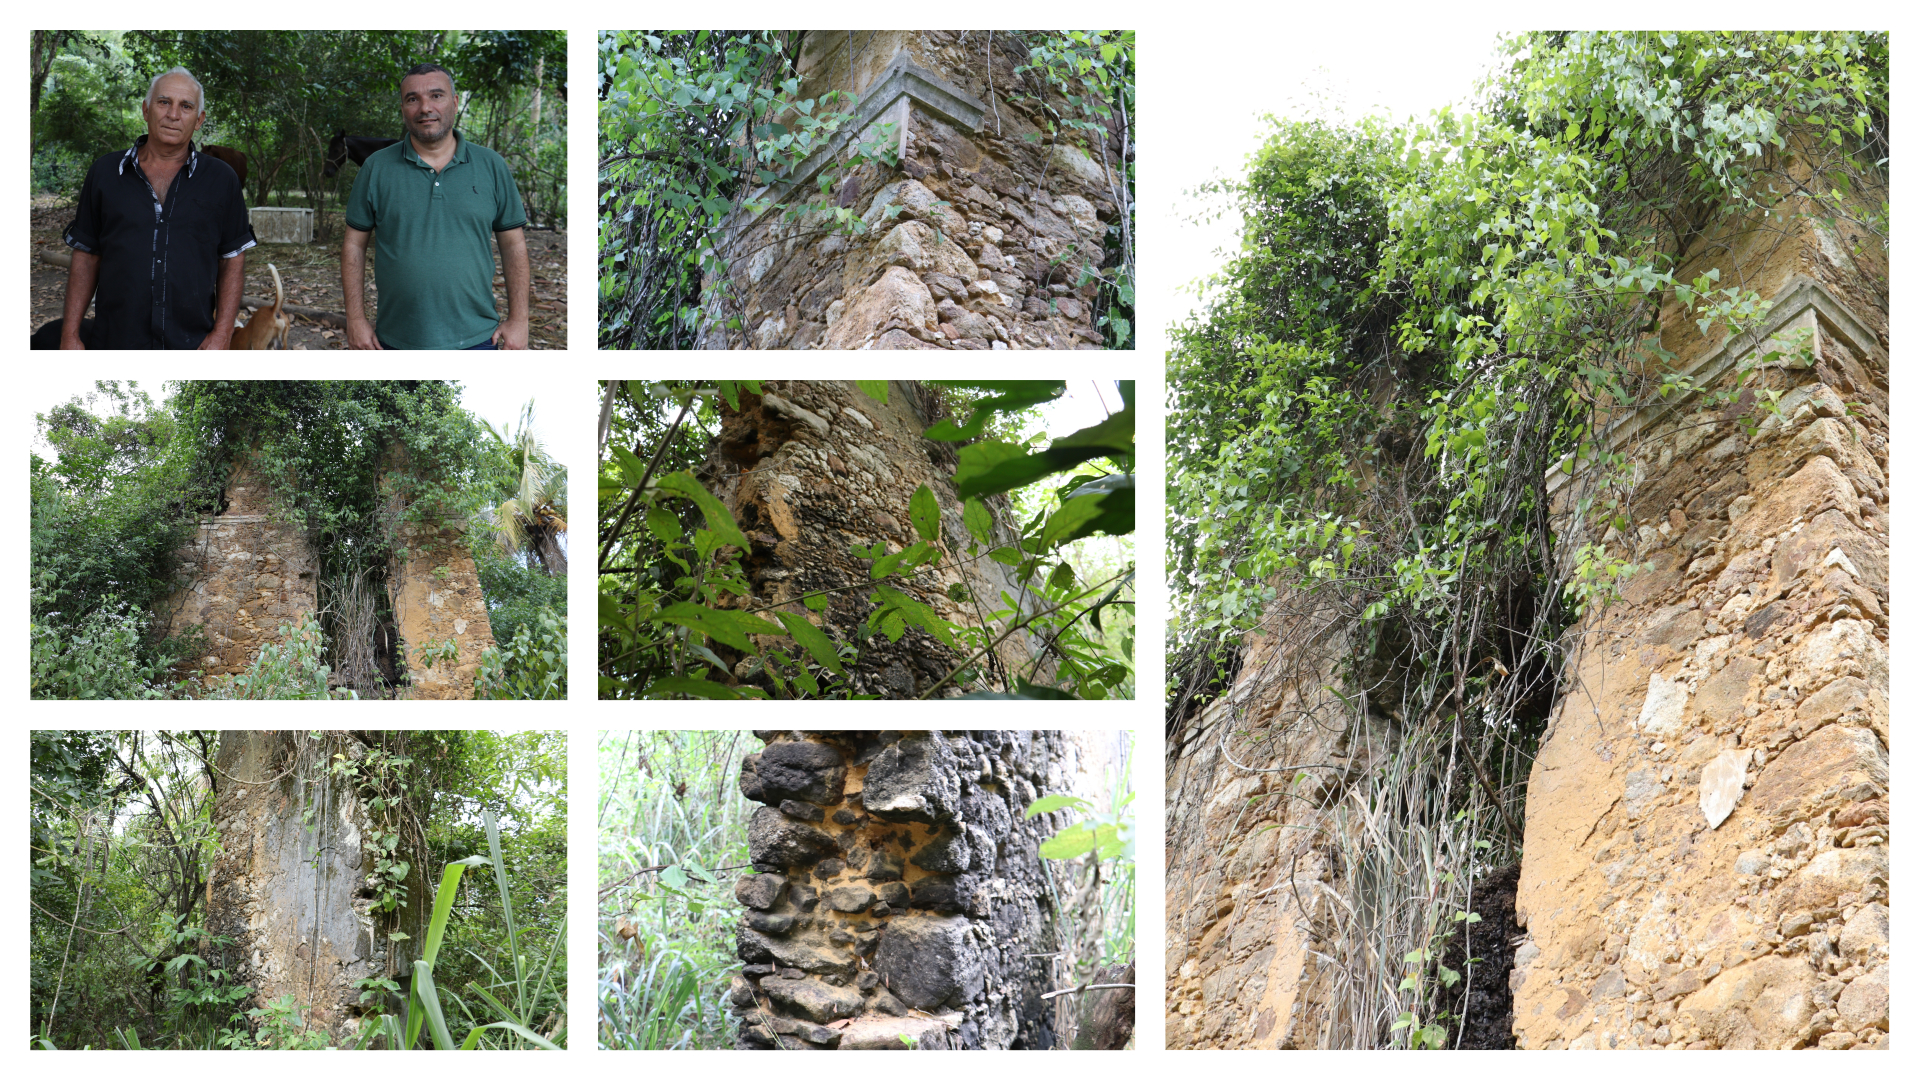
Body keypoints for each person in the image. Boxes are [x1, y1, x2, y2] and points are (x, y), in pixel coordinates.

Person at [55, 66, 254, 349]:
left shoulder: (222, 180)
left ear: (199, 120)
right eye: (164, 102)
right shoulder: (105, 172)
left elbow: (232, 260)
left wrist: (222, 334)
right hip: (115, 341)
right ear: (146, 110)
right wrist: (70, 334)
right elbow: (86, 256)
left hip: (192, 344)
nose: (173, 114)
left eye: (186, 106)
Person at [342, 63, 531, 349]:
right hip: (394, 340)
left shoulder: (491, 165)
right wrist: (355, 320)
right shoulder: (375, 168)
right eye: (412, 99)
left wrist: (519, 320)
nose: (424, 108)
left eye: (436, 96)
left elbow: (513, 245)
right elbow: (353, 245)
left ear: (454, 103)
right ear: (403, 108)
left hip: (478, 339)